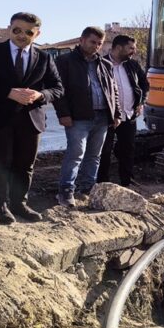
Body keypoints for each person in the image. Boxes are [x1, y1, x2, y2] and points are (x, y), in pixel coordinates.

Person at [0, 12, 63, 224]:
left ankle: (19, 203)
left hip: (31, 121)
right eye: (17, 30)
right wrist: (7, 92)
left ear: (37, 34)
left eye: (28, 32)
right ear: (9, 29)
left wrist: (40, 95)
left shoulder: (44, 57)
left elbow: (58, 88)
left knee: (24, 166)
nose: (22, 35)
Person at [53, 26, 120, 207]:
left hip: (102, 116)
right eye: (93, 42)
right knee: (76, 154)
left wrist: (117, 113)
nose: (96, 46)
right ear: (81, 40)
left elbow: (113, 90)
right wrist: (63, 113)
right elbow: (59, 91)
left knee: (94, 155)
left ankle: (87, 189)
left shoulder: (105, 64)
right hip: (78, 117)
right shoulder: (65, 61)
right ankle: (65, 192)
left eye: (99, 43)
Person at [97, 34, 149, 187]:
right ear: (119, 47)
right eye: (131, 48)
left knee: (128, 149)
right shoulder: (101, 64)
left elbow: (144, 84)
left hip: (129, 114)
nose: (134, 51)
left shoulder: (133, 65)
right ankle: (102, 183)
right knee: (104, 150)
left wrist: (141, 102)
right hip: (107, 117)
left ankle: (127, 181)